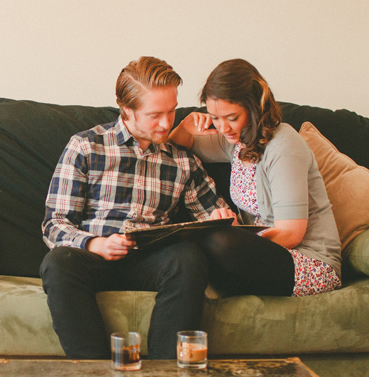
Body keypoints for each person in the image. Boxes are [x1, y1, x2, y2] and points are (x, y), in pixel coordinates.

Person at [41, 56, 234, 360]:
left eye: (172, 111)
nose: (166, 123)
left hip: (151, 260)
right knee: (58, 262)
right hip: (93, 258)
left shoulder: (182, 160)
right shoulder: (86, 147)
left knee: (188, 258)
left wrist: (221, 218)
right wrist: (95, 244)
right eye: (155, 114)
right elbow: (55, 224)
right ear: (127, 109)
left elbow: (212, 214)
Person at [168, 58, 341, 298]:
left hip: (310, 262)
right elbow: (178, 146)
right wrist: (186, 126)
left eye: (232, 117)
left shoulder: (283, 146)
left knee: (218, 241)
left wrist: (237, 236)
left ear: (254, 106)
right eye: (215, 118)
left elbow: (291, 233)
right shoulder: (236, 143)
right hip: (267, 253)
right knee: (191, 247)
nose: (223, 128)